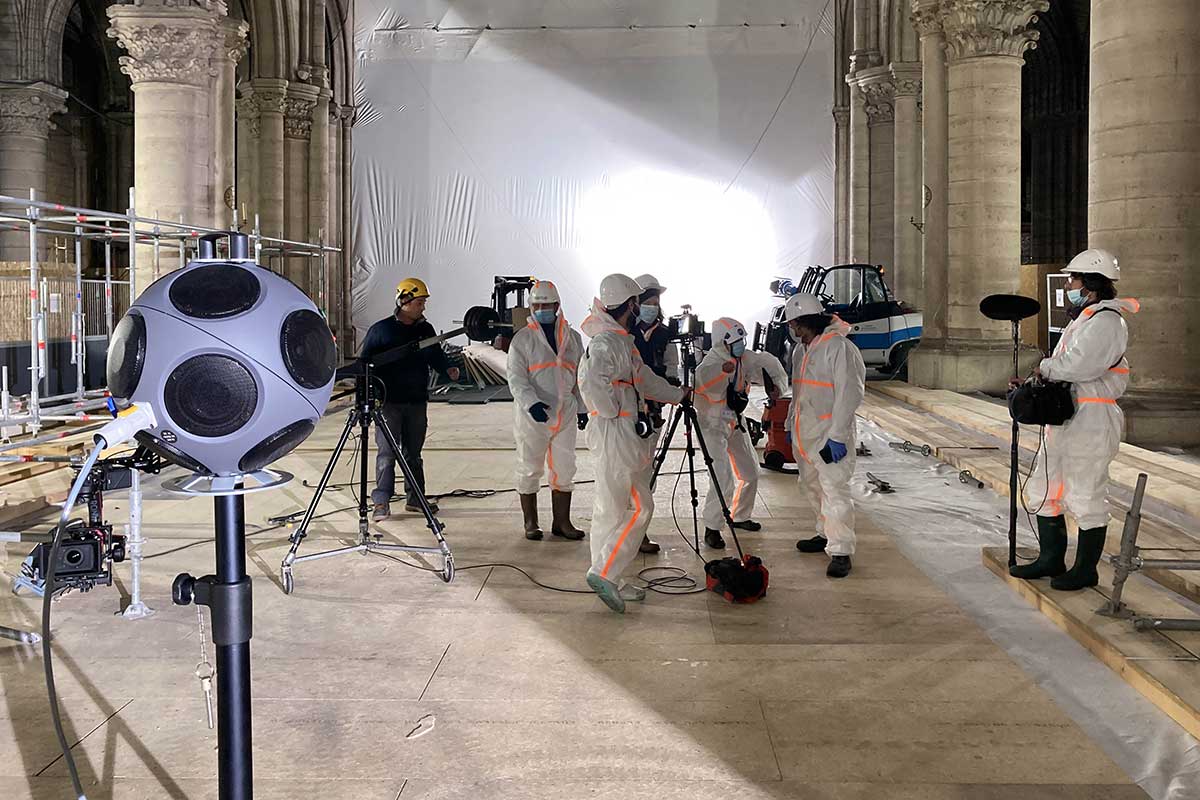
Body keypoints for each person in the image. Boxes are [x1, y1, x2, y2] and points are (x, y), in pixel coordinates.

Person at [1013, 248, 1136, 591]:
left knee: (1085, 491)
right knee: (1046, 487)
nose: (1068, 284)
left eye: (1073, 279)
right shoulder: (1085, 318)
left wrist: (1045, 368)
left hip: (1092, 418)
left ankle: (1085, 570)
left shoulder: (1107, 322)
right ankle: (1051, 559)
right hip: (1068, 414)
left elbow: (1081, 366)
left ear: (1091, 283)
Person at [579, 273, 690, 613]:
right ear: (630, 304)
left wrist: (677, 395)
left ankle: (611, 575)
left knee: (611, 509)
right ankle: (604, 572)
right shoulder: (605, 343)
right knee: (638, 507)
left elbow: (645, 380)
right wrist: (611, 411)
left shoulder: (620, 342)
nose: (643, 306)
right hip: (615, 434)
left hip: (623, 432)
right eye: (639, 301)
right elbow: (590, 383)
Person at [361, 277, 460, 520]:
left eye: (424, 302)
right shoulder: (381, 331)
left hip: (416, 401)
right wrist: (367, 398)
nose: (423, 307)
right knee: (387, 453)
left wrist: (447, 369)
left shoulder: (425, 330)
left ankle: (415, 498)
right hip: (389, 403)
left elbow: (435, 356)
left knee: (413, 453)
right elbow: (365, 366)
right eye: (419, 302)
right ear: (404, 301)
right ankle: (381, 501)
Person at [786, 292, 866, 579]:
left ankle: (841, 550)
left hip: (829, 433)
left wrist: (838, 436)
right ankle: (825, 533)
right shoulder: (802, 351)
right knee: (811, 486)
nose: (791, 329)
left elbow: (850, 393)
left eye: (793, 324)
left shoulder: (839, 348)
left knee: (834, 490)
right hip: (804, 432)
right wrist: (790, 424)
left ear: (803, 321)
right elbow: (799, 391)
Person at [694, 317, 789, 549]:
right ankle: (712, 527)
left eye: (742, 340)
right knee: (722, 476)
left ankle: (740, 516)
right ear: (722, 343)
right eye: (735, 342)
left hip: (735, 421)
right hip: (712, 425)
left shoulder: (743, 358)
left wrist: (776, 386)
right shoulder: (711, 363)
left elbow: (767, 362)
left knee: (751, 472)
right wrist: (722, 371)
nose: (740, 345)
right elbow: (703, 381)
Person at [506, 280, 587, 542]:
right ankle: (531, 522)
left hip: (565, 413)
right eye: (538, 306)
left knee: (565, 467)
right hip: (533, 417)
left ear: (557, 305)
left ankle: (562, 522)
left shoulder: (573, 338)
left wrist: (583, 408)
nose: (542, 310)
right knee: (529, 467)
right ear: (531, 307)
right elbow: (516, 378)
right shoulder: (523, 339)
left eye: (547, 305)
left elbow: (580, 376)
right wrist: (531, 403)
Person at [631, 273, 680, 554]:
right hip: (631, 410)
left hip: (656, 408)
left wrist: (669, 385)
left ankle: (640, 529)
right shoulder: (624, 332)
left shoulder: (665, 333)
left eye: (655, 302)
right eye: (647, 301)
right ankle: (631, 530)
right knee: (632, 470)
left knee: (647, 468)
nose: (652, 306)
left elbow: (672, 365)